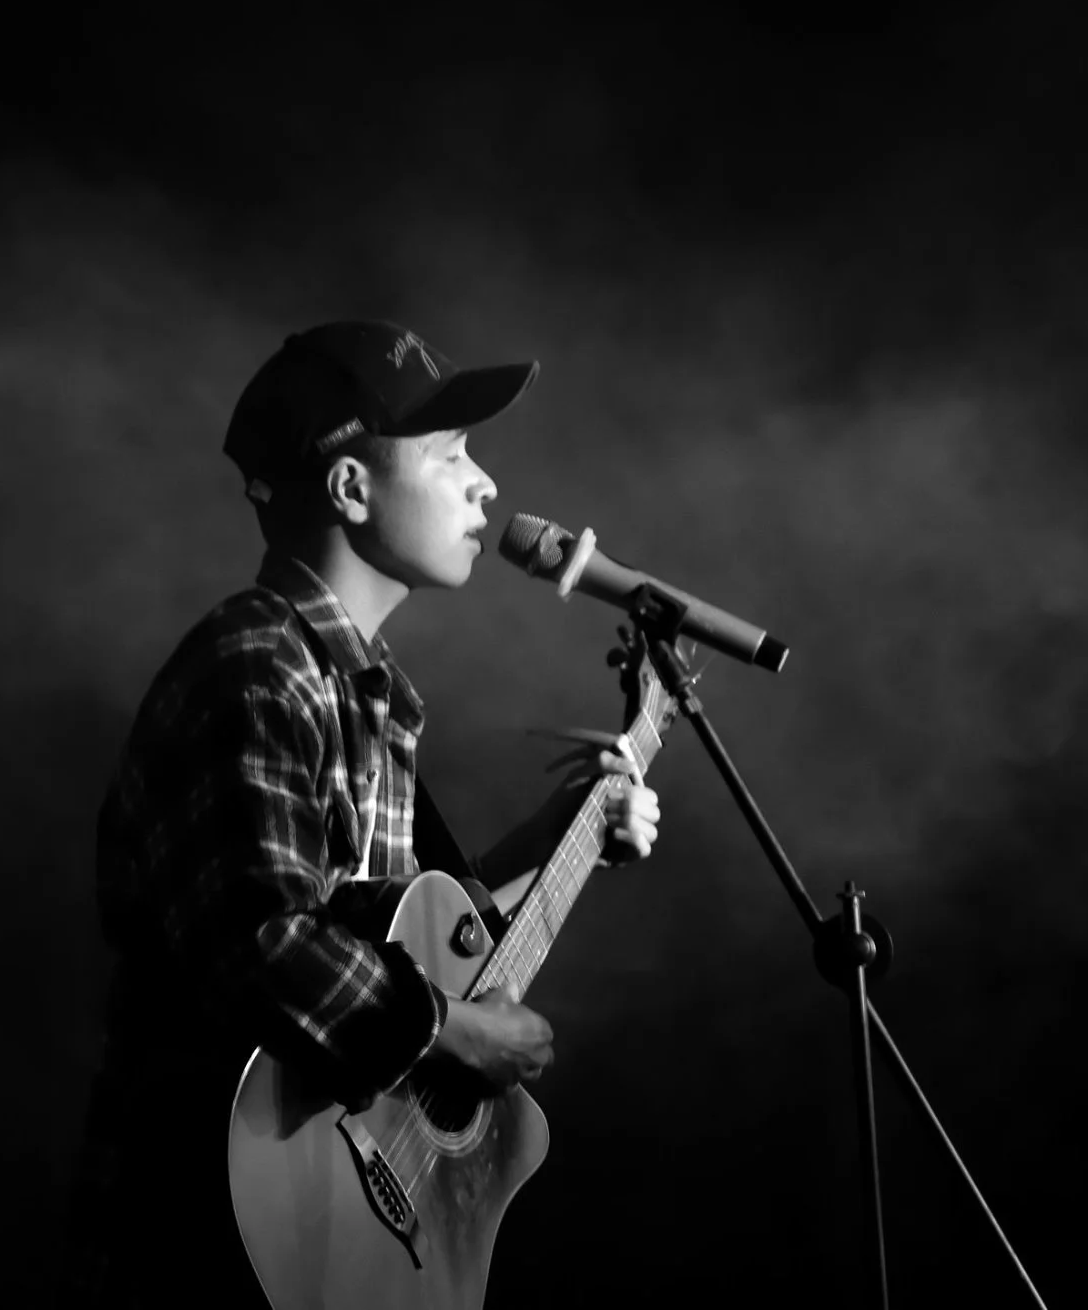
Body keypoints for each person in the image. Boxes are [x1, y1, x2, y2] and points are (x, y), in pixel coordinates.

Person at [56, 320, 664, 1307]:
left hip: (310, 1238)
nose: (486, 487)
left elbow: (406, 934)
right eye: (450, 455)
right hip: (198, 1243)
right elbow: (260, 942)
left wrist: (573, 835)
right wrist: (454, 1032)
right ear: (348, 489)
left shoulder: (359, 691)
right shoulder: (261, 665)